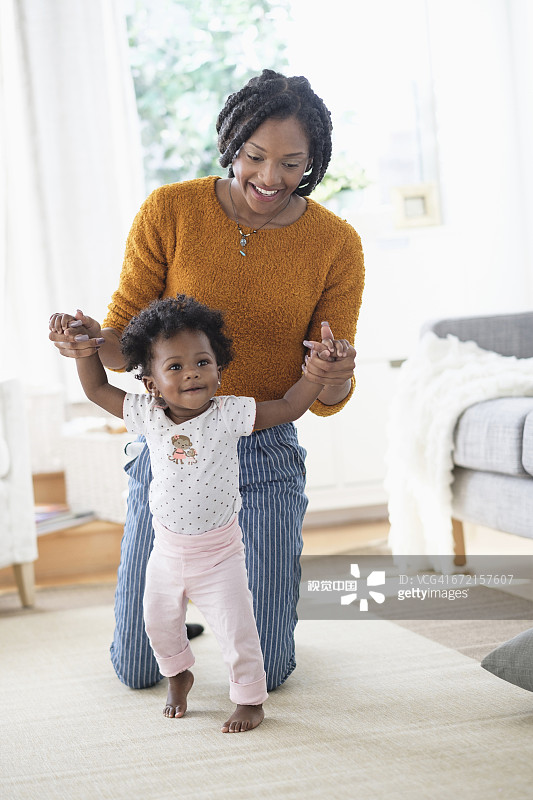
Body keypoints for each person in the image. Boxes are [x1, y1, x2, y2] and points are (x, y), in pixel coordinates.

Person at [49, 69, 365, 694]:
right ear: (232, 143)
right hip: (170, 447)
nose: (269, 178)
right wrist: (88, 340)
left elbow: (327, 397)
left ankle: (226, 607)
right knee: (137, 671)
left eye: (291, 163)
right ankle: (189, 608)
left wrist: (332, 373)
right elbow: (122, 350)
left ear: (315, 161)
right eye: (254, 157)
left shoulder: (336, 244)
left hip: (263, 450)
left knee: (268, 674)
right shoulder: (170, 211)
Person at [50, 294, 344, 731]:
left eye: (202, 362)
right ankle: (178, 674)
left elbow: (287, 407)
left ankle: (249, 699)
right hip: (166, 554)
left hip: (219, 557)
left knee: (238, 633)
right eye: (174, 367)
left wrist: (316, 374)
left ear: (219, 369)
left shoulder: (230, 413)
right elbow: (96, 389)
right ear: (150, 383)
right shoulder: (146, 415)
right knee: (158, 622)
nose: (191, 372)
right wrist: (84, 347)